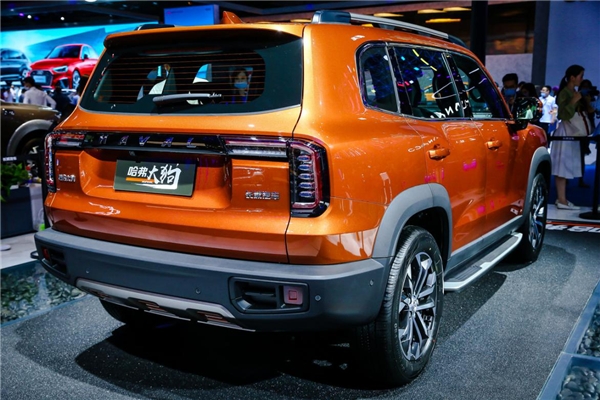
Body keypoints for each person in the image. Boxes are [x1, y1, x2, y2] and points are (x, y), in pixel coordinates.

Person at [551, 64, 585, 210]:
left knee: (565, 165)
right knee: (562, 166)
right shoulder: (565, 93)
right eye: (580, 76)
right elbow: (563, 115)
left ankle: (562, 198)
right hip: (565, 131)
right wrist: (573, 101)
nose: (581, 79)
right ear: (572, 77)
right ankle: (561, 199)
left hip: (570, 131)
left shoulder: (572, 91)